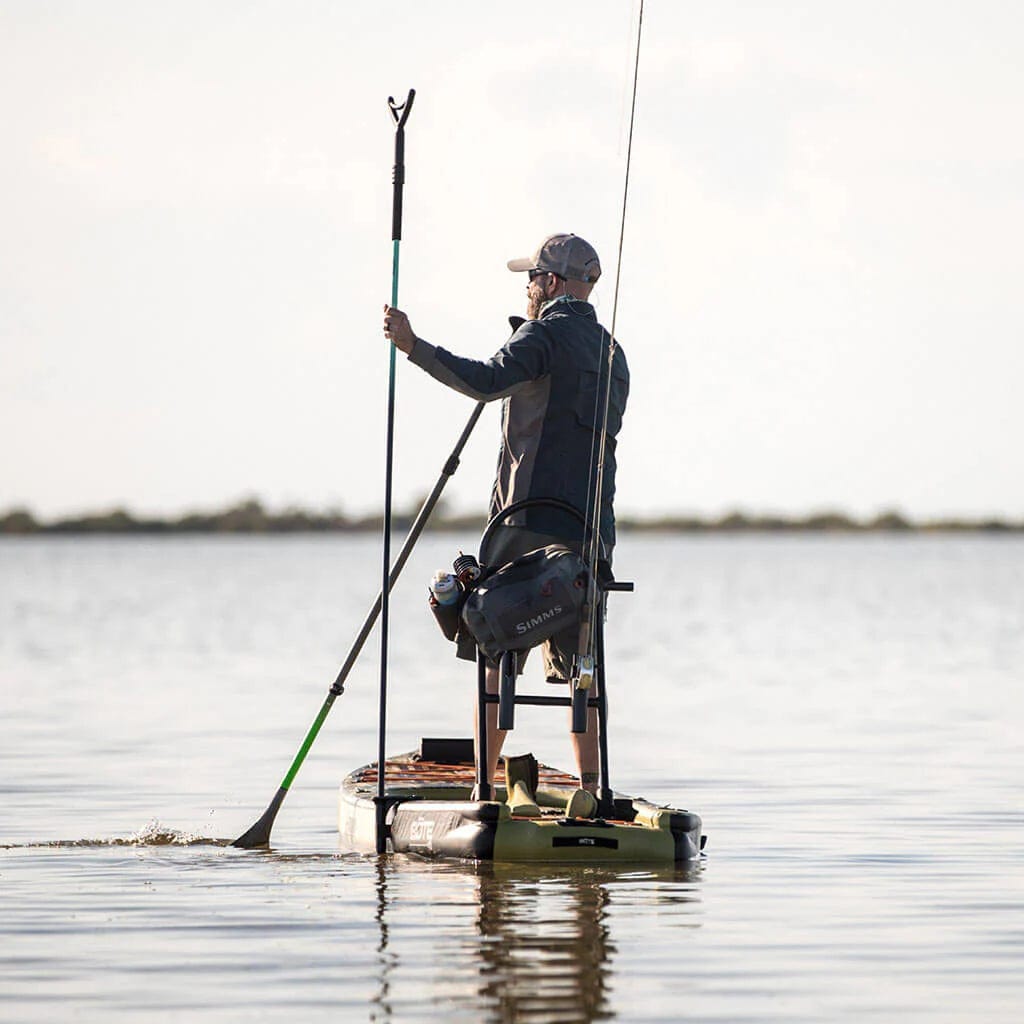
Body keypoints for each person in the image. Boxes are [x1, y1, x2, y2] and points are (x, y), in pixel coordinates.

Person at [383, 232, 629, 814]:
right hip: (589, 537)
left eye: (532, 278)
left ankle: (485, 789)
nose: (527, 288)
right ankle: (592, 788)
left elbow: (485, 381)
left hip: (522, 526)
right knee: (583, 667)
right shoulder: (614, 352)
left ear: (552, 282)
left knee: (494, 650)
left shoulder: (539, 336)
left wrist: (413, 345)